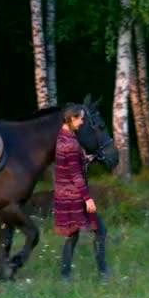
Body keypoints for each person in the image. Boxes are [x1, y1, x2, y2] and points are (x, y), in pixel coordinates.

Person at [54, 105, 108, 282]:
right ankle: (103, 273)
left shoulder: (63, 138)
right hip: (75, 195)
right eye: (80, 118)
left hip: (66, 194)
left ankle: (65, 275)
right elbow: (76, 175)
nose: (82, 122)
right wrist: (87, 198)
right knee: (100, 231)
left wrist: (86, 159)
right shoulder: (69, 142)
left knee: (72, 234)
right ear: (71, 119)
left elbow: (72, 165)